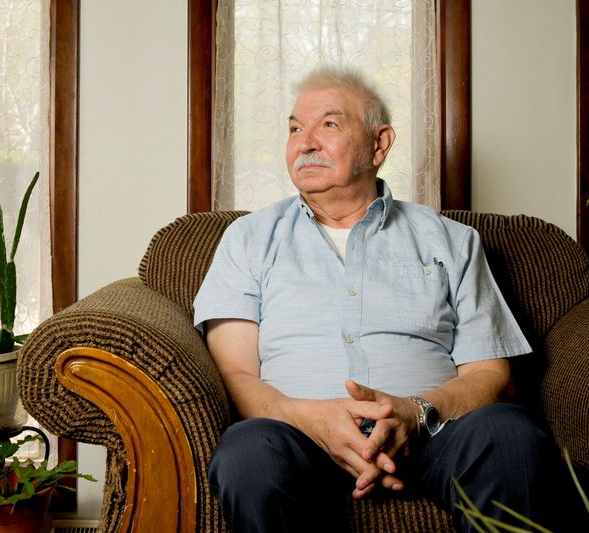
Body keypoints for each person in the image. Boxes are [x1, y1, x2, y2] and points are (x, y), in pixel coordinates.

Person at [193, 65, 553, 532]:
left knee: (510, 435)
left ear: (380, 144)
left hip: (430, 438)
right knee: (247, 452)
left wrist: (415, 413)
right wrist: (308, 418)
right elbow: (235, 374)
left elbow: (491, 375)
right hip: (297, 439)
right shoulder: (247, 239)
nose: (305, 143)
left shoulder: (452, 240)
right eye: (294, 128)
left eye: (329, 124)